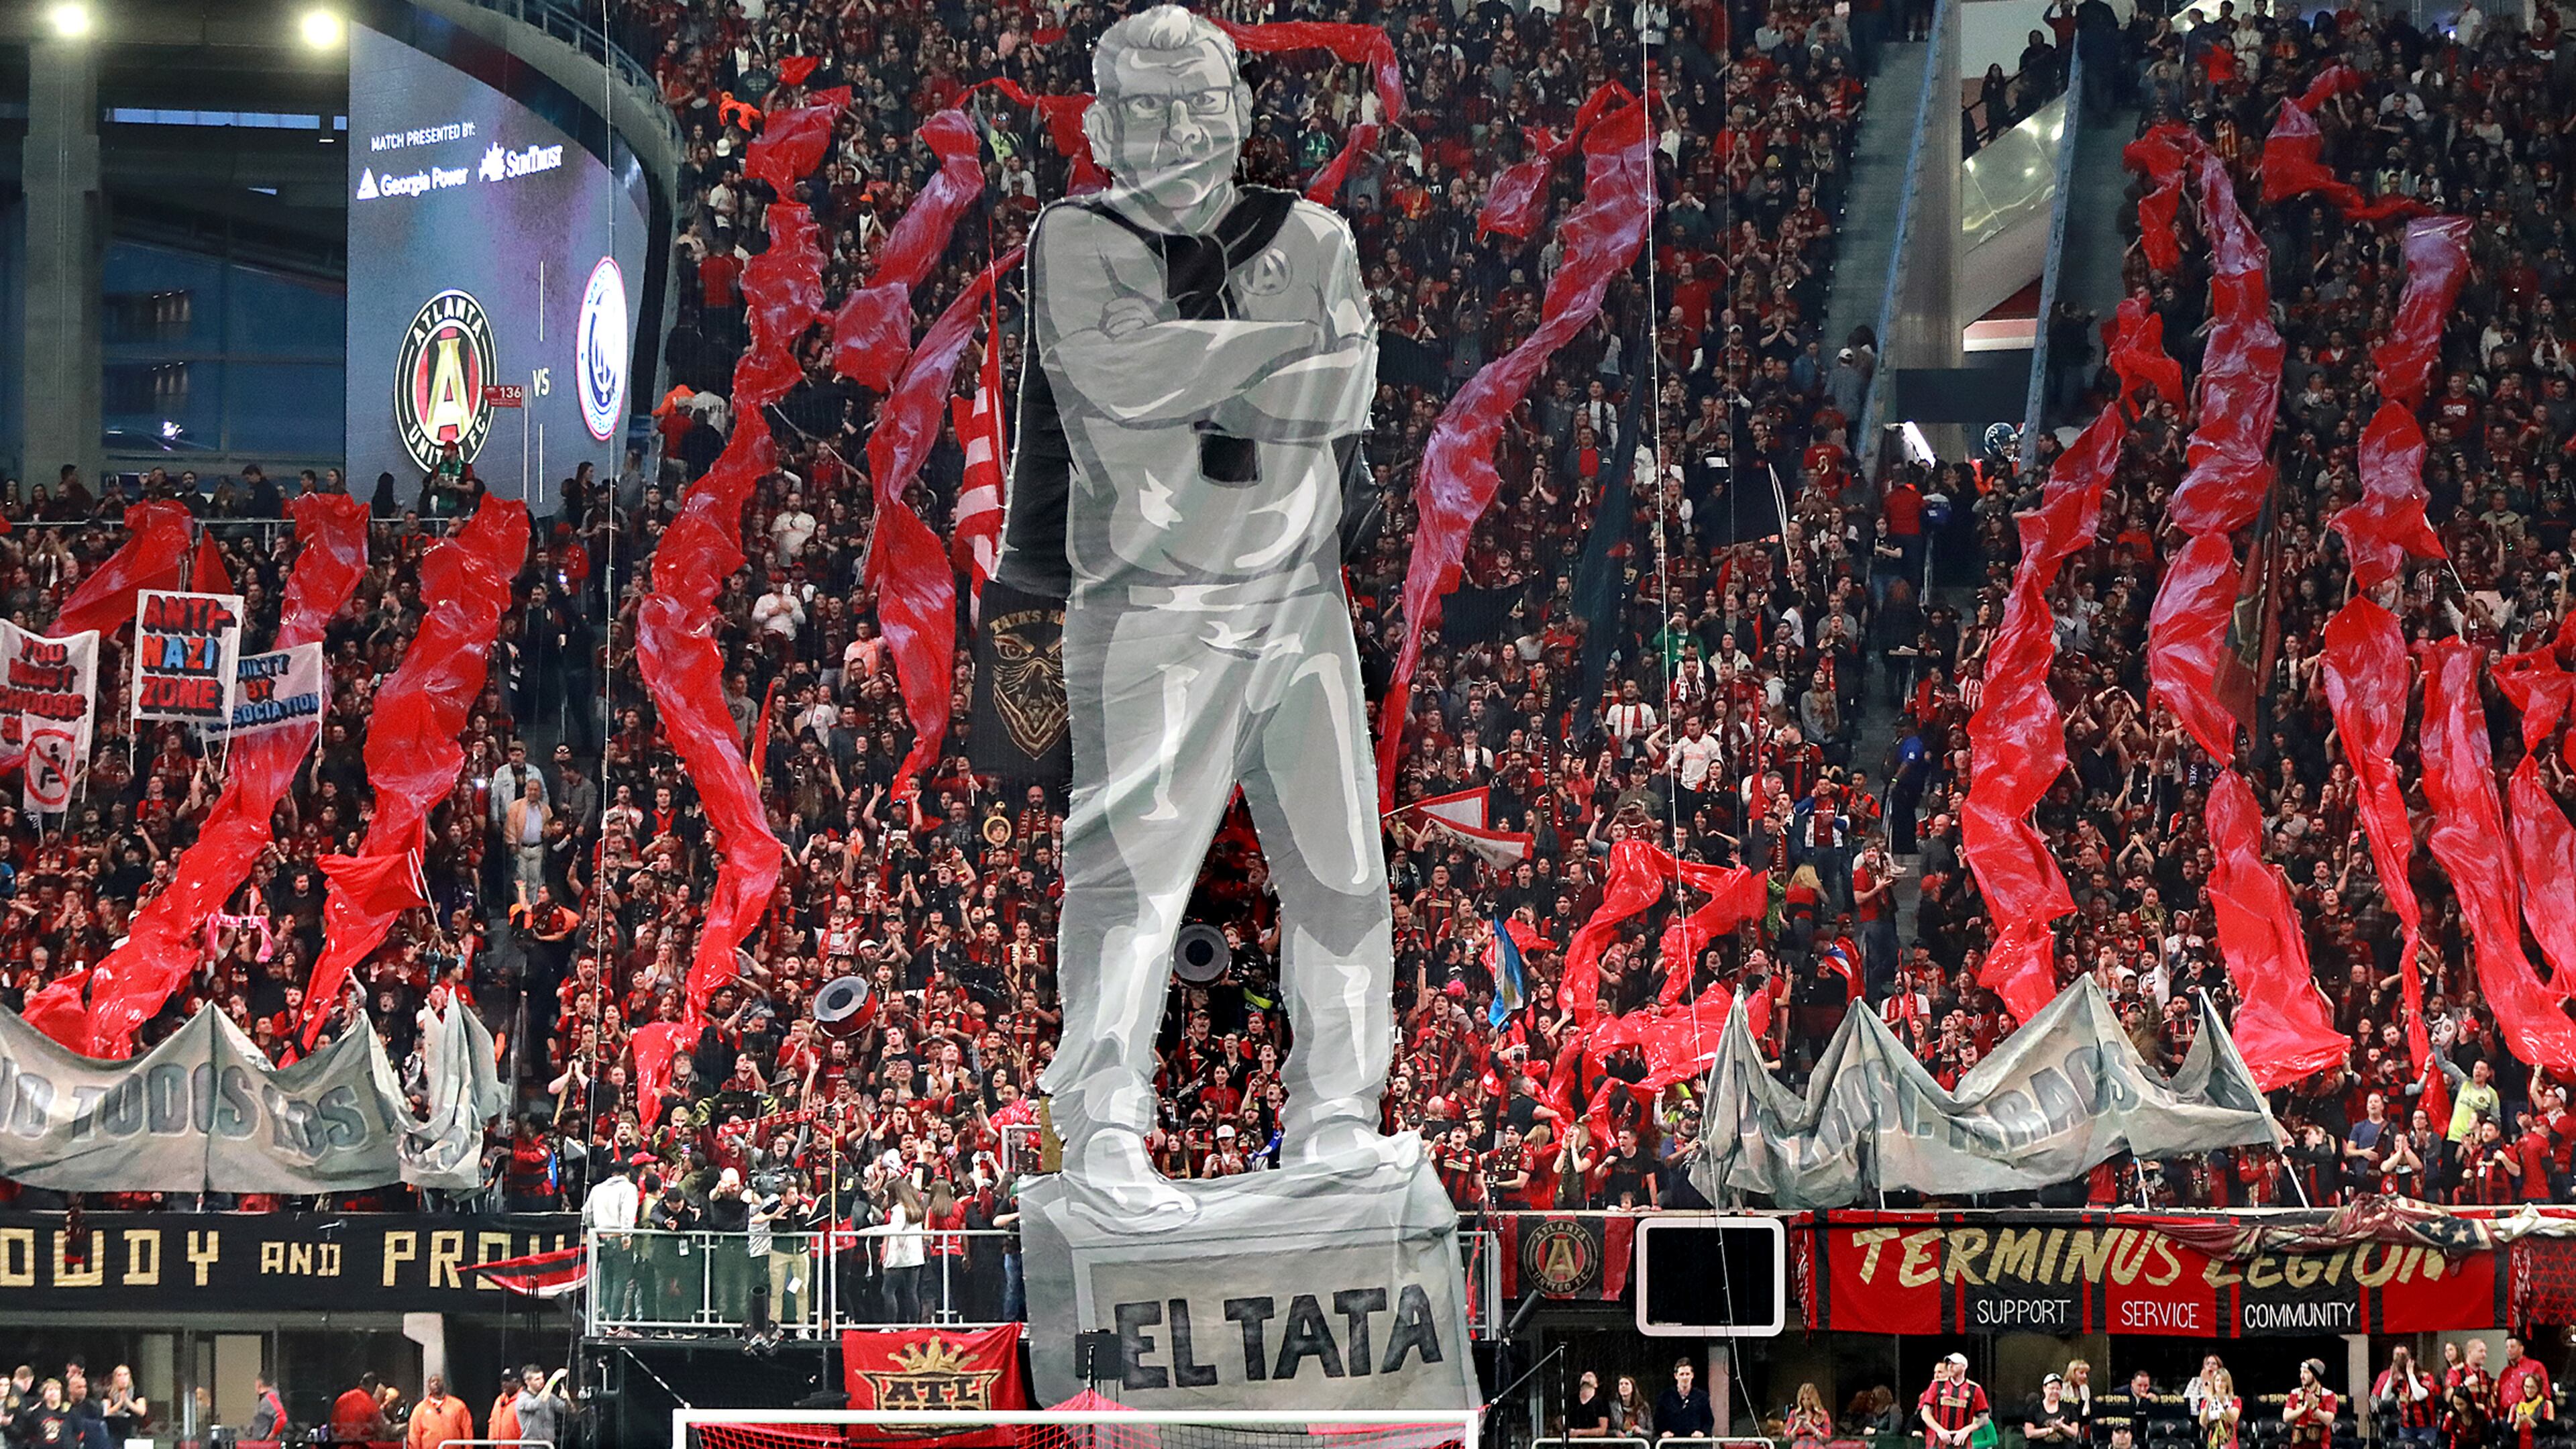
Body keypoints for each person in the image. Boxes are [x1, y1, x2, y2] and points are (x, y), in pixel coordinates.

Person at [996, 3, 1389, 1216]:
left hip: (1301, 598)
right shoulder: (1073, 236)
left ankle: (1336, 1119)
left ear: (1242, 112)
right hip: (1153, 608)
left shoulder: (1316, 235)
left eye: (1199, 102)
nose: (1176, 129)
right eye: (1148, 108)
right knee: (1128, 883)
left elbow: (1352, 385)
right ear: (1104, 126)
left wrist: (1201, 369)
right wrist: (1274, 357)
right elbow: (1123, 380)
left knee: (1339, 873)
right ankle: (1103, 1130)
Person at [582, 1156, 643, 1332]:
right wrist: (627, 1236)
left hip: (601, 1237)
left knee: (606, 1278)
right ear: (627, 1174)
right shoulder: (629, 1188)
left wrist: (595, 1228)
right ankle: (614, 1321)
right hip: (619, 1237)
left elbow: (586, 1215)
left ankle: (604, 1314)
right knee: (620, 1280)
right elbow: (627, 1215)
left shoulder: (597, 1189)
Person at [1919, 1353, 1991, 1449]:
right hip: (1938, 1443)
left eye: (1955, 1364)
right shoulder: (1937, 1385)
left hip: (1963, 1444)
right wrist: (1940, 1430)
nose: (1951, 1366)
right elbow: (1925, 1413)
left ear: (1964, 1367)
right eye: (1949, 1363)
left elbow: (1985, 1418)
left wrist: (1966, 1430)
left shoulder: (1975, 1389)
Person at [2379, 1348, 2437, 1449]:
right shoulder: (2401, 1383)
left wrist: (2410, 1374)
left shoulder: (2426, 1378)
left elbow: (2420, 1396)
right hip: (2406, 1427)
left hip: (2426, 1427)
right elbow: (2385, 1397)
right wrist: (2390, 1379)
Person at [407, 1373, 474, 1449]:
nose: (436, 1384)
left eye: (438, 1381)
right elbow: (414, 1436)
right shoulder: (420, 1409)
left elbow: (467, 1430)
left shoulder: (458, 1406)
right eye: (433, 1381)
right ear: (428, 1386)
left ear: (444, 1384)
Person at [1656, 1358, 1715, 1442]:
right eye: (1682, 1374)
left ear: (1692, 1375)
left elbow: (1709, 1419)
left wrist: (1703, 1432)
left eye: (1687, 1374)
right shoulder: (1665, 1396)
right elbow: (1658, 1419)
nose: (1685, 1377)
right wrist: (1663, 1432)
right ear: (1676, 1376)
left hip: (1695, 1443)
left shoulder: (1702, 1397)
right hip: (1671, 1443)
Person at [512, 1364, 569, 1449]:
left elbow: (568, 1410)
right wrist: (553, 1380)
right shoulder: (522, 1398)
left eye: (542, 1377)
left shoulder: (550, 1397)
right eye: (537, 1379)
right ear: (527, 1382)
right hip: (531, 1447)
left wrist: (568, 1400)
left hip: (548, 1445)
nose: (542, 1381)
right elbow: (537, 1404)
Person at [2285, 1360, 2339, 1449]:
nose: (2302, 1376)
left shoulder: (2328, 1395)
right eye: (2301, 1372)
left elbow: (2329, 1420)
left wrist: (2314, 1408)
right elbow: (2286, 1417)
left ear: (2315, 1375)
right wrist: (2303, 1409)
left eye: (2306, 1372)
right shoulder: (2295, 1393)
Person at [331, 1371, 389, 1444]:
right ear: (373, 1386)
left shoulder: (341, 1400)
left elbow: (333, 1426)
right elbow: (381, 1431)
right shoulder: (370, 1404)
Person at [2028, 1373, 2082, 1449]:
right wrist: (2050, 1430)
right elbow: (2029, 1433)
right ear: (2044, 1388)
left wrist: (2061, 1426)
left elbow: (2075, 1433)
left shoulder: (2069, 1408)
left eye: (2058, 1389)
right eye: (2052, 1388)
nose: (2055, 1391)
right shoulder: (2034, 1409)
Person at [2200, 1368, 2241, 1449]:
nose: (2220, 1384)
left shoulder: (2235, 1400)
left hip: (2230, 1444)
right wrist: (2209, 1403)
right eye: (2217, 1380)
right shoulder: (2206, 1401)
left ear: (2227, 1384)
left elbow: (2233, 1419)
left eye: (2223, 1381)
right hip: (2213, 1444)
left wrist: (2223, 1404)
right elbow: (2202, 1422)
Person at [1786, 1383, 1833, 1449]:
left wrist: (1812, 1429)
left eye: (1808, 1399)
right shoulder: (1794, 1414)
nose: (1805, 1402)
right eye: (1803, 1399)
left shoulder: (1823, 1415)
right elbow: (1788, 1439)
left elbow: (1826, 1439)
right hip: (1799, 1445)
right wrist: (1797, 1427)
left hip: (1816, 1444)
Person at [1568, 1371, 1615, 1438]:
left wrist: (1579, 1432)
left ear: (1596, 1385)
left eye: (1591, 1376)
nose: (1587, 1376)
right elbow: (1559, 1421)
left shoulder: (1601, 1402)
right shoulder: (1572, 1400)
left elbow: (1602, 1430)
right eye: (1584, 1375)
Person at [246, 1373, 287, 1442]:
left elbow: (282, 1418)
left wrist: (269, 1440)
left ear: (259, 1383)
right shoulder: (268, 1398)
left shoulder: (271, 1398)